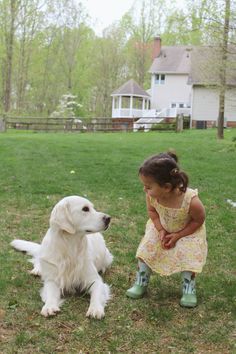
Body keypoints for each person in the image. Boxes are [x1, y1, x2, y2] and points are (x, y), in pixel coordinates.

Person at [126, 151, 207, 307]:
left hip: (188, 231)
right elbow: (152, 212)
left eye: (148, 186)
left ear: (167, 187)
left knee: (187, 255)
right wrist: (161, 230)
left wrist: (179, 235)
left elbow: (198, 220)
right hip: (161, 228)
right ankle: (141, 282)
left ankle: (188, 289)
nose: (145, 190)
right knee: (146, 250)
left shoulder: (191, 200)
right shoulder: (152, 196)